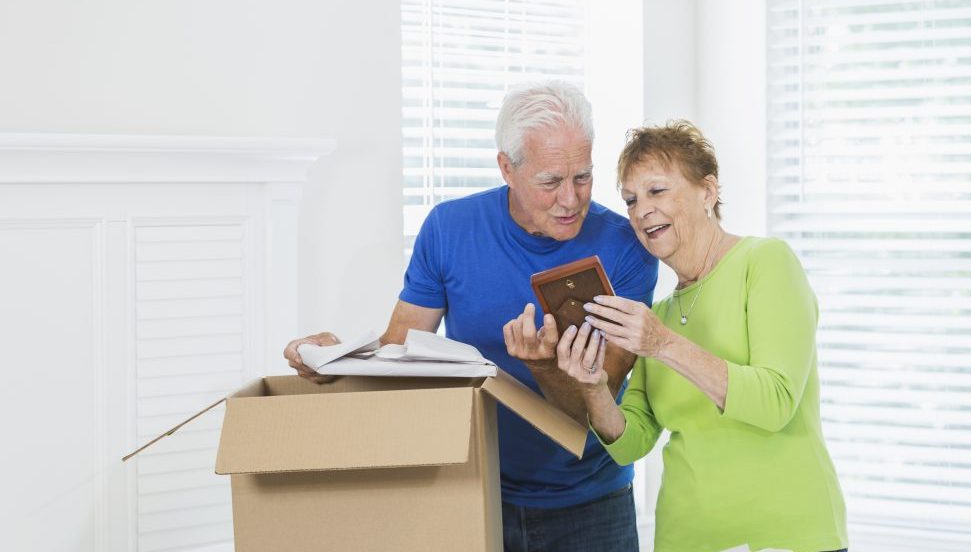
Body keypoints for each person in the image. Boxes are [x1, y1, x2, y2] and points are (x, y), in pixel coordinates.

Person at [284, 80, 658, 552]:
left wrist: (544, 367)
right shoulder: (449, 229)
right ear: (507, 168)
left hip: (590, 506)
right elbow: (399, 353)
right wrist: (335, 358)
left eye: (582, 176)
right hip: (474, 490)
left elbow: (594, 407)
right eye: (550, 182)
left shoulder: (627, 249)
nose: (571, 199)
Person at [557, 121, 848, 552]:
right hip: (687, 538)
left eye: (657, 191)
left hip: (787, 535)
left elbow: (775, 403)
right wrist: (594, 387)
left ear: (707, 191)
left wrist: (663, 344)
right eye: (631, 200)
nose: (641, 211)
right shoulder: (658, 315)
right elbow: (631, 441)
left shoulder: (765, 263)